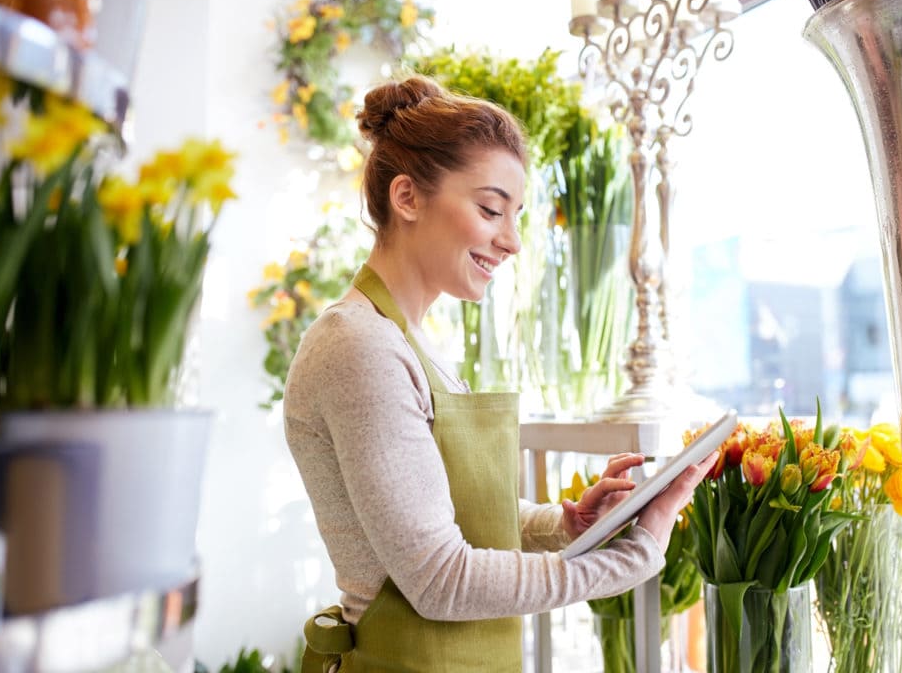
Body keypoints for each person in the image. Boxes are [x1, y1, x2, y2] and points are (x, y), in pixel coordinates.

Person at [282, 75, 719, 673]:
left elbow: (439, 512)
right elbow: (439, 579)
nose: (511, 241)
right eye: (490, 209)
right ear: (407, 198)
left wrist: (564, 525)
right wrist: (627, 561)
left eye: (515, 215)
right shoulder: (358, 347)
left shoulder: (408, 343)